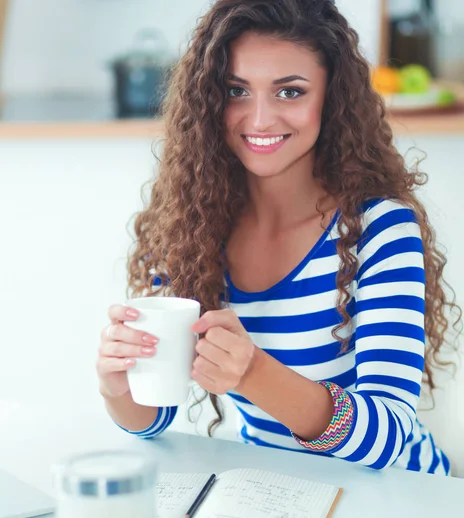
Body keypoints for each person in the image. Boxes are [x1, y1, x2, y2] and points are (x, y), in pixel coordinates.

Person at [95, 0, 461, 475]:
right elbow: (153, 419)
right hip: (276, 497)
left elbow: (389, 437)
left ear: (332, 98)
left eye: (290, 92)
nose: (261, 119)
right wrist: (118, 386)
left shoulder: (380, 230)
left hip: (401, 499)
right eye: (236, 91)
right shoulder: (194, 224)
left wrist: (254, 373)